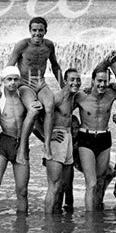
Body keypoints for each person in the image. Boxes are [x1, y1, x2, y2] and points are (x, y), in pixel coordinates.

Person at [74, 66, 116, 211]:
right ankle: (90, 221)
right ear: (92, 81)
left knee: (100, 182)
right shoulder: (81, 96)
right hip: (86, 138)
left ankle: (97, 216)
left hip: (104, 137)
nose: (102, 84)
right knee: (92, 183)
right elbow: (62, 110)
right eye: (99, 81)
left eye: (105, 81)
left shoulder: (111, 93)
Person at [0, 66, 30, 216]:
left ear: (19, 80)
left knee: (22, 190)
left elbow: (34, 121)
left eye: (15, 79)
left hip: (21, 144)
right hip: (4, 143)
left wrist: (48, 136)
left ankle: (22, 228)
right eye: (9, 79)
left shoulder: (24, 99)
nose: (12, 83)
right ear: (3, 81)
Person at [9, 16, 63, 147]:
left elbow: (55, 66)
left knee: (50, 107)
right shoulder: (22, 45)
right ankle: (23, 145)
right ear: (30, 30)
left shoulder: (49, 45)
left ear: (45, 31)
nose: (37, 33)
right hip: (25, 83)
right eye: (34, 30)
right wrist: (7, 90)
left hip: (41, 82)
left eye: (40, 30)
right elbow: (10, 67)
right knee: (34, 110)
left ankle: (47, 144)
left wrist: (63, 85)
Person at [44, 68, 80, 214]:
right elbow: (38, 119)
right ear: (65, 81)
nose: (75, 82)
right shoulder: (57, 98)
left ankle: (57, 219)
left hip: (68, 136)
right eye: (72, 80)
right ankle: (48, 220)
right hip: (57, 138)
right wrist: (47, 136)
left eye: (78, 80)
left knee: (63, 184)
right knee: (54, 184)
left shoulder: (73, 98)